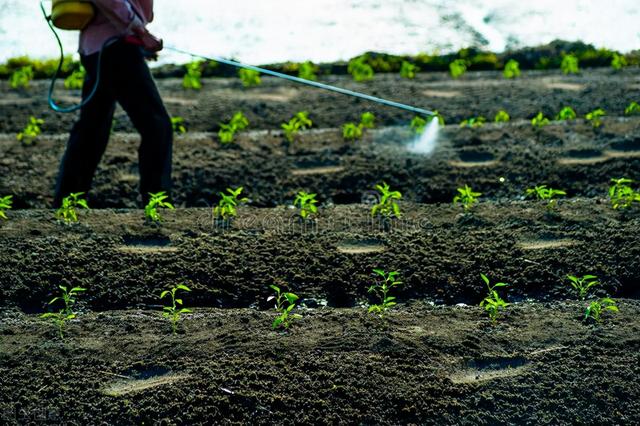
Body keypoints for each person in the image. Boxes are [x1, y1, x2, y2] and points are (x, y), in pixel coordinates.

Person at [53, 0, 172, 207]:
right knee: (157, 125)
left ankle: (66, 202)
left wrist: (139, 35)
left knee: (92, 129)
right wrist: (139, 30)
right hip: (115, 47)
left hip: (101, 47)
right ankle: (157, 204)